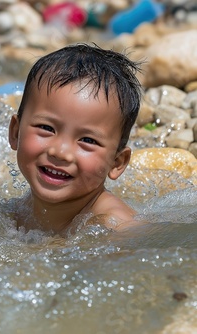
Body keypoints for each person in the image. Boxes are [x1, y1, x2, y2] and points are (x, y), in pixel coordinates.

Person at [8, 43, 144, 235]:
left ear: (116, 163)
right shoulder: (13, 213)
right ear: (15, 132)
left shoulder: (114, 229)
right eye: (46, 128)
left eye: (87, 140)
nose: (60, 152)